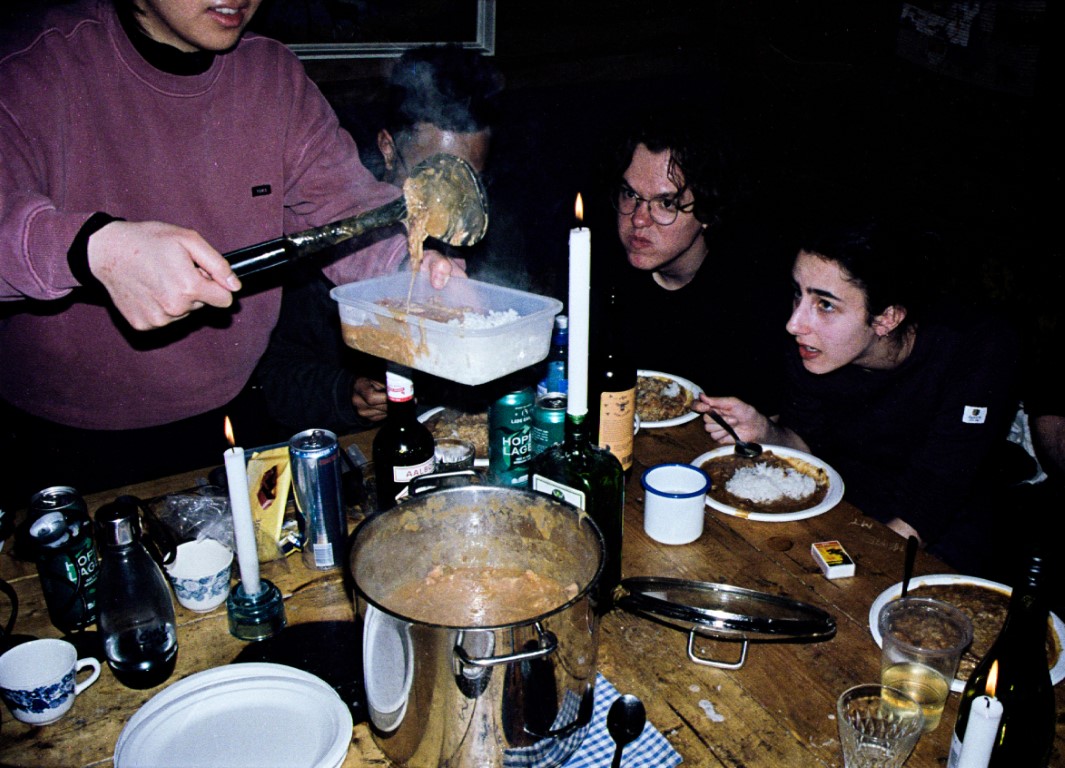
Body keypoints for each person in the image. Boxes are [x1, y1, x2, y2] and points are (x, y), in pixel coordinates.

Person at [0, 0, 458, 506]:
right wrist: (90, 248)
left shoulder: (271, 73)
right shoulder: (35, 62)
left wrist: (409, 265)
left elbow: (341, 206)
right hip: (64, 442)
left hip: (237, 409)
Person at [696, 213, 1021, 576]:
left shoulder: (975, 351)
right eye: (798, 293)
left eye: (825, 304)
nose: (794, 324)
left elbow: (930, 503)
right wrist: (765, 431)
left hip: (945, 531)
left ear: (887, 318)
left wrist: (843, 571)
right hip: (848, 507)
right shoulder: (813, 344)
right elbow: (808, 444)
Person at [255, 44, 502, 435]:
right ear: (388, 149)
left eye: (466, 182)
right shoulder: (330, 235)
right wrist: (345, 393)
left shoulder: (476, 239)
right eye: (432, 178)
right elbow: (274, 380)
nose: (447, 203)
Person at [600, 110, 791, 413]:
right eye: (630, 194)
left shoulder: (751, 294)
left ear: (708, 211)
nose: (638, 219)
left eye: (666, 203)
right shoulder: (598, 273)